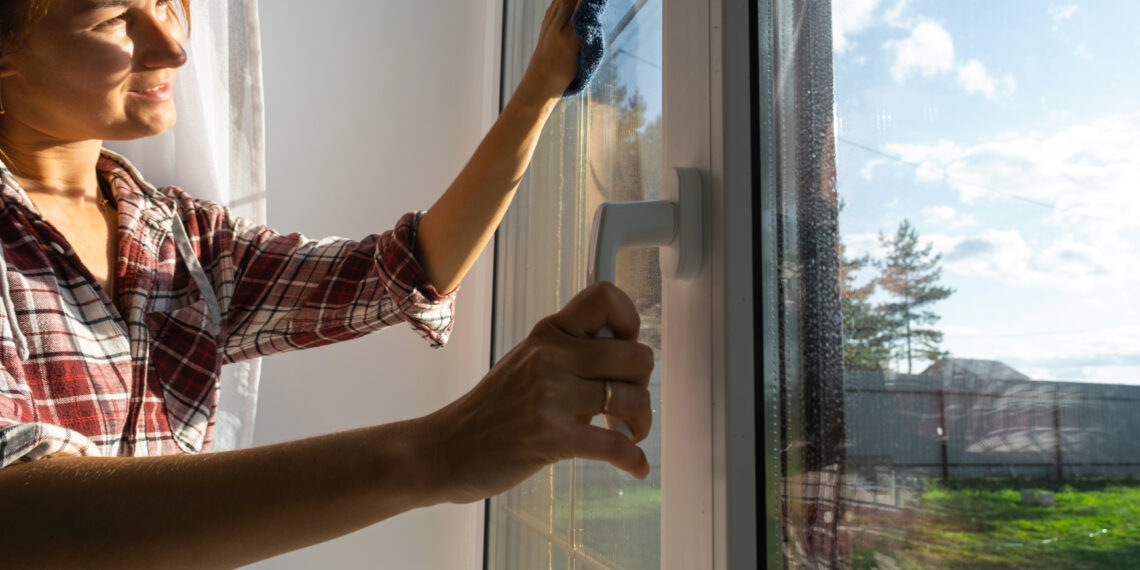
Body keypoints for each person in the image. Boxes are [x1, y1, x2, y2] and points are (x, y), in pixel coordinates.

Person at [0, 0, 654, 567]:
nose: (173, 43)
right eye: (114, 18)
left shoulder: (180, 241)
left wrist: (540, 83)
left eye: (169, 0)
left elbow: (399, 271)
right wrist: (439, 453)